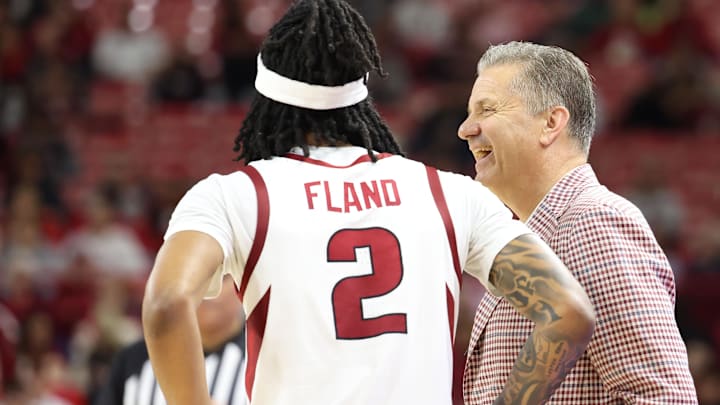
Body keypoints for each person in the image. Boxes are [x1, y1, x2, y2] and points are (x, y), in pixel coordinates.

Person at [141, 2, 595, 405]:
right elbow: (569, 312)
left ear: (267, 98)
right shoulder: (449, 193)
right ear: (362, 94)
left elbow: (165, 304)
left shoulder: (236, 195)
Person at [458, 41, 697, 404]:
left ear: (551, 123)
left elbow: (665, 397)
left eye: (486, 110)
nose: (465, 129)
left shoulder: (592, 221)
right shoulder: (540, 232)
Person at [96, 276, 246, 405]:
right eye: (202, 277)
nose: (210, 290)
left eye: (222, 278)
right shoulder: (133, 360)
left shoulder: (261, 359)